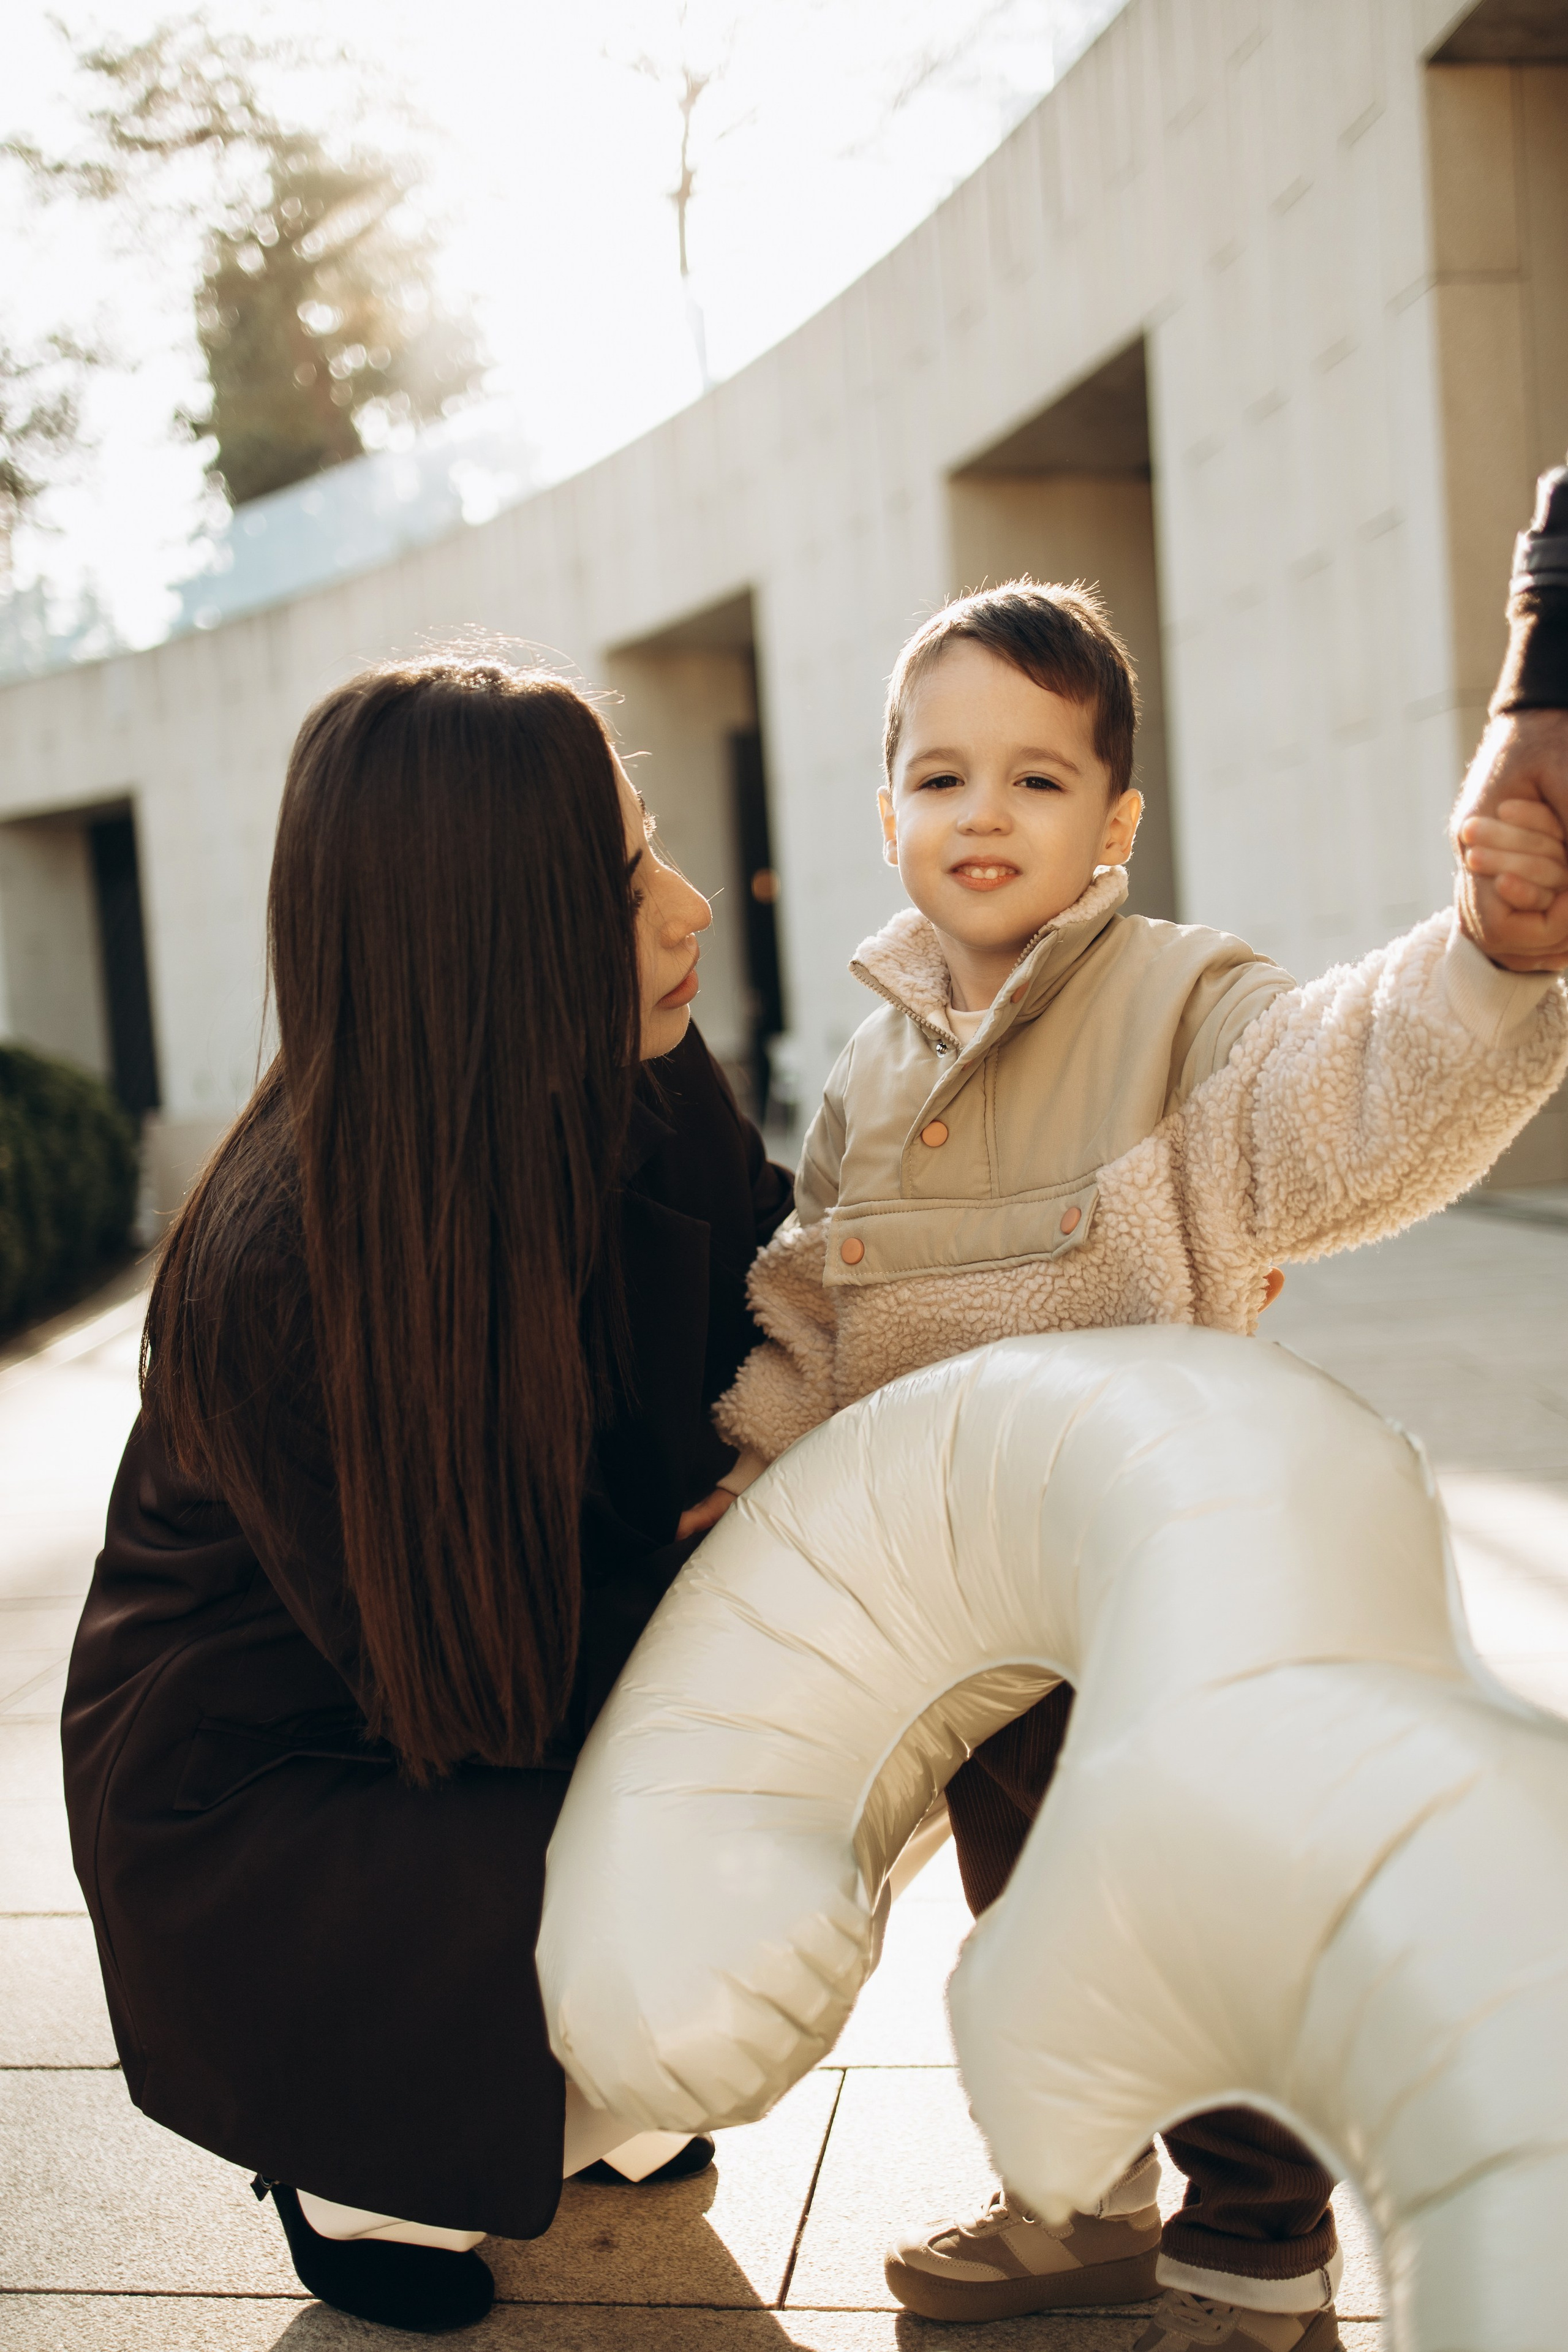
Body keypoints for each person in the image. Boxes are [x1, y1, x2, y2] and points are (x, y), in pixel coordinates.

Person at [715, 505, 1568, 2345]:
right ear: (887, 820)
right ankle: (1074, 2199)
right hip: (981, 1619)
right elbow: (814, 1304)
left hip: (1164, 1602)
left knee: (1198, 1919)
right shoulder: (870, 1066)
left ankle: (1257, 2235)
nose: (985, 812)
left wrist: (1490, 956)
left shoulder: (1184, 1008)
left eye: (1039, 777)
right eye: (941, 774)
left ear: (1113, 826)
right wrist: (760, 1467)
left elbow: (1347, 1081)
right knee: (1031, 1924)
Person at [61, 659, 791, 2335]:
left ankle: (561, 2083)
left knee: (827, 1764)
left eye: (655, 842)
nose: (688, 908)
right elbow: (478, 1696)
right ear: (483, 940)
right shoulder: (290, 1270)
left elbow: (802, 1302)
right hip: (290, 1822)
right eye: (618, 884)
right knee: (748, 1857)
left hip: (512, 1706)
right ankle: (359, 2149)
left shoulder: (646, 1078)